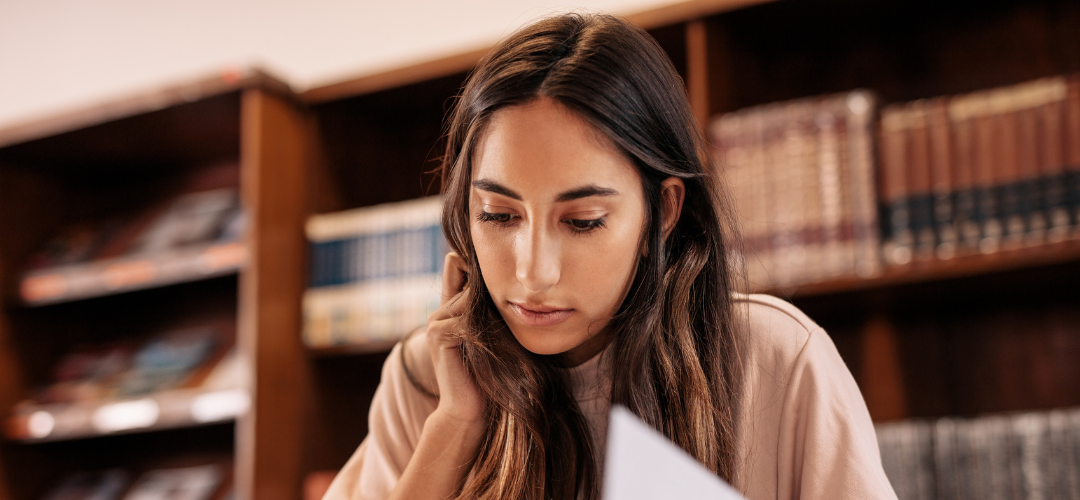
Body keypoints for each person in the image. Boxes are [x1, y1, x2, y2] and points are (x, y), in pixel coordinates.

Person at [322, 12, 897, 500]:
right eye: (498, 215)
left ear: (664, 212)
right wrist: (455, 427)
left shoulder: (776, 361)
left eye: (582, 222)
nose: (532, 273)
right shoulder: (428, 375)